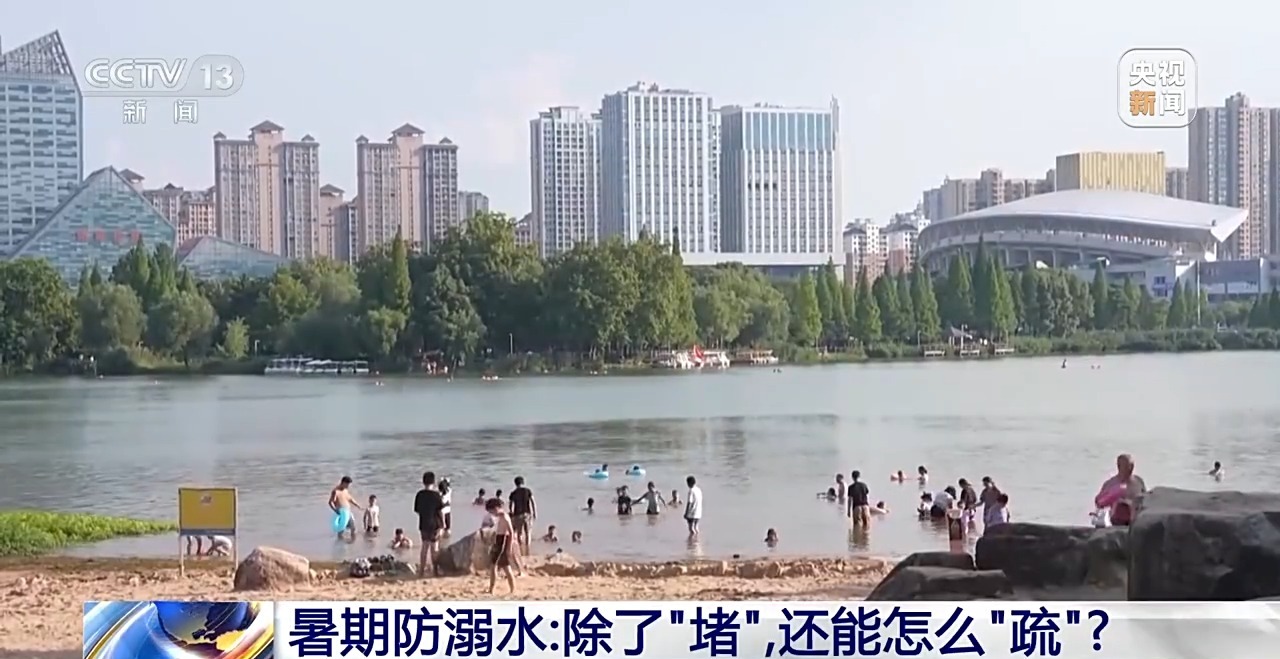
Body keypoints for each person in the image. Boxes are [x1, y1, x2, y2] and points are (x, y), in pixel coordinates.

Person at [1094, 453, 1147, 526]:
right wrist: (1112, 497)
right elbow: (1098, 502)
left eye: (1132, 465)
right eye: (1127, 466)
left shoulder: (1139, 482)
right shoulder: (1111, 484)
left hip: (1135, 522)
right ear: (1119, 466)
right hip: (1116, 521)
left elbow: (1146, 500)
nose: (1130, 468)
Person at [413, 471, 445, 578]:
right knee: (434, 548)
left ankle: (421, 571)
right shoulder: (436, 495)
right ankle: (435, 571)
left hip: (423, 523)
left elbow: (417, 510)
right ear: (434, 482)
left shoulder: (419, 495)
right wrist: (443, 525)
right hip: (435, 524)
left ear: (423, 482)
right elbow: (440, 512)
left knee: (424, 547)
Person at [483, 498, 517, 595]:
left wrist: (509, 547)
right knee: (506, 567)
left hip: (502, 542)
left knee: (494, 566)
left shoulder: (505, 517)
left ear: (496, 508)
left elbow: (511, 532)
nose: (492, 514)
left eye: (492, 511)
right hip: (499, 540)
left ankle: (492, 589)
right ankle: (512, 589)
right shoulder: (501, 517)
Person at [508, 476, 537, 553]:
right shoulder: (527, 491)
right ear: (523, 482)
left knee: (519, 533)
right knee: (528, 533)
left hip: (517, 515)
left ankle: (520, 550)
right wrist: (534, 512)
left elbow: (510, 505)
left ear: (515, 483)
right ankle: (528, 550)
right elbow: (533, 502)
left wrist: (511, 513)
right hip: (527, 514)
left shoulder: (513, 493)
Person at [328, 476, 361, 541]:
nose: (348, 486)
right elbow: (330, 502)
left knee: (353, 528)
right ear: (343, 482)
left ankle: (352, 542)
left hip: (348, 511)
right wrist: (335, 510)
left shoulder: (345, 490)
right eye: (347, 484)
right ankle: (340, 543)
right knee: (341, 530)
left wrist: (357, 505)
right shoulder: (335, 491)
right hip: (341, 513)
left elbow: (350, 499)